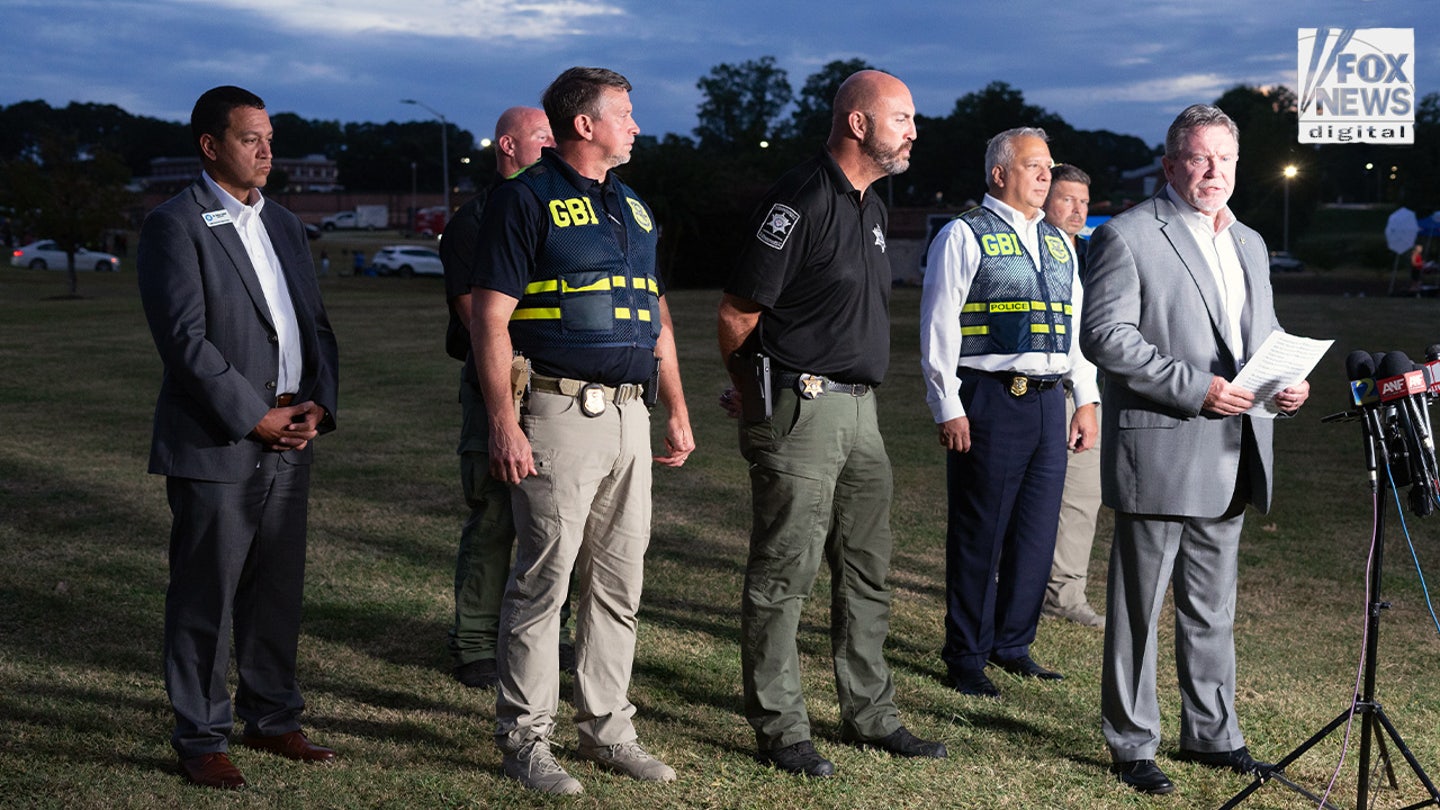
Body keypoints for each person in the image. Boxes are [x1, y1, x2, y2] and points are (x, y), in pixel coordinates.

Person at [470, 66, 694, 795]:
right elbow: (489, 318)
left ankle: (608, 730)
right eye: (625, 114)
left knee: (618, 584)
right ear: (585, 124)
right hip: (560, 413)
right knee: (544, 583)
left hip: (631, 415)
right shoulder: (523, 200)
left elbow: (655, 315)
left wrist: (677, 407)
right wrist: (504, 421)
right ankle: (526, 740)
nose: (637, 126)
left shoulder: (633, 207)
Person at [718, 69, 946, 779]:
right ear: (857, 124)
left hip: (862, 412)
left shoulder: (872, 205)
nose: (914, 129)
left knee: (866, 570)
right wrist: (754, 395)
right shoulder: (801, 197)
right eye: (902, 117)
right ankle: (781, 727)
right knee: (784, 574)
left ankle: (872, 714)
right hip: (803, 408)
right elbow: (736, 313)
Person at [1080, 104, 1311, 796]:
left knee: (1213, 607)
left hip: (1234, 449)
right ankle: (1131, 743)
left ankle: (1213, 734)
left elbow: (1261, 336)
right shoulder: (1128, 235)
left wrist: (1284, 385)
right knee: (1139, 608)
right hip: (1162, 446)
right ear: (1171, 164)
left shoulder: (1249, 242)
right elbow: (1106, 336)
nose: (1215, 172)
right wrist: (1194, 388)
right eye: (1201, 158)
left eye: (1227, 160)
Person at [136, 85, 340, 790]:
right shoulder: (175, 223)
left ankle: (275, 718)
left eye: (271, 139)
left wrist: (320, 406)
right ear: (210, 145)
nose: (267, 152)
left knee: (275, 591)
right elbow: (184, 342)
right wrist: (253, 415)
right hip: (218, 440)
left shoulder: (283, 222)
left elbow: (312, 325)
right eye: (251, 139)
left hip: (292, 433)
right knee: (206, 595)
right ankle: (200, 735)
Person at [919, 127, 1099, 699]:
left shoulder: (1060, 242)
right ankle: (967, 653)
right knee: (981, 531)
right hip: (990, 398)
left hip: (1051, 402)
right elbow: (939, 326)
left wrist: (1085, 398)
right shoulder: (963, 234)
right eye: (1034, 166)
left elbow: (1074, 332)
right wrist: (947, 404)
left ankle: (1013, 643)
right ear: (1000, 174)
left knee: (1035, 532)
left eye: (1048, 166)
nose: (1047, 176)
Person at [439, 106, 571, 690]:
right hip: (499, 387)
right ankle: (474, 643)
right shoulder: (475, 221)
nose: (555, 145)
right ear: (508, 145)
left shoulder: (564, 210)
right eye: (544, 138)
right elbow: (475, 315)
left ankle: (545, 636)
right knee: (494, 515)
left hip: (560, 393)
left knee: (553, 522)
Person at [1039, 163, 1105, 630]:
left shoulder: (1094, 255)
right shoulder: (1021, 251)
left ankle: (1065, 593)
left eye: (1084, 202)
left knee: (1083, 497)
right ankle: (1010, 582)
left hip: (1085, 393)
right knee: (1025, 496)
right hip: (1031, 391)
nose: (1078, 210)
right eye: (1067, 200)